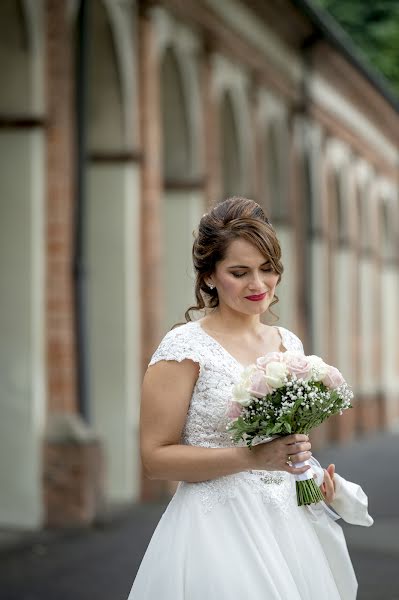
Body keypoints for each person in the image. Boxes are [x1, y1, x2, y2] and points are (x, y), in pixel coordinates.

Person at [127, 197, 372, 600]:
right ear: (208, 276)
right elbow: (155, 459)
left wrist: (305, 469)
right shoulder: (184, 348)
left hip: (290, 528)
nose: (258, 285)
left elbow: (281, 444)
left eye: (267, 269)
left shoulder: (287, 343)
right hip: (216, 531)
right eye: (239, 273)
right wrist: (251, 458)